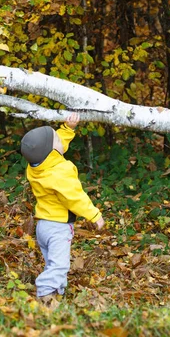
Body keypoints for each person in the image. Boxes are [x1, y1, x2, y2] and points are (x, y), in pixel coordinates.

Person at [21, 113, 105, 305]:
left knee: (53, 263)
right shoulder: (60, 171)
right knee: (59, 265)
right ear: (52, 152)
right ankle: (45, 294)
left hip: (43, 225)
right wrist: (94, 215)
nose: (61, 140)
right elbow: (74, 197)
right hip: (58, 228)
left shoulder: (36, 167)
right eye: (58, 138)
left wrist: (67, 129)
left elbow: (56, 148)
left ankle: (57, 292)